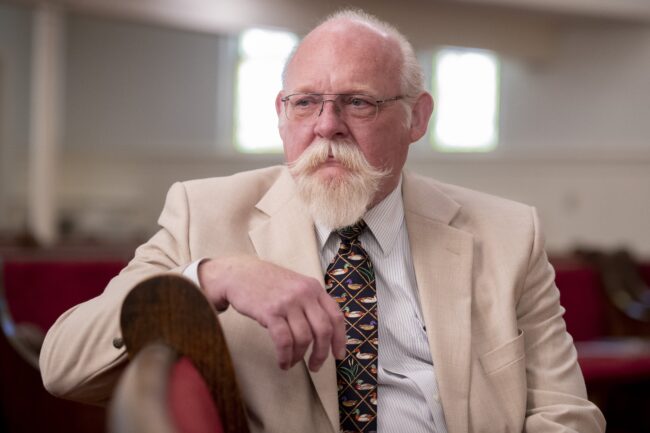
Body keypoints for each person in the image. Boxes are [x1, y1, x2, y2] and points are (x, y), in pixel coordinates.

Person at [40, 9, 605, 433]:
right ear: (281, 115)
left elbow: (565, 413)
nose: (327, 126)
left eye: (358, 102)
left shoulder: (509, 234)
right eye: (305, 102)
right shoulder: (203, 214)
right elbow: (63, 364)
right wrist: (208, 277)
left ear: (417, 117)